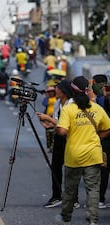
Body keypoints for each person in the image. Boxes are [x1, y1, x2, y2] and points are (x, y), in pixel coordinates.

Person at [55, 76, 110, 225]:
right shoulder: (97, 108)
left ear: (72, 91)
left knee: (70, 190)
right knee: (92, 189)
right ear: (88, 90)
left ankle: (66, 217)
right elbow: (107, 129)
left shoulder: (68, 109)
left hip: (74, 156)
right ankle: (93, 220)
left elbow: (61, 131)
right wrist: (97, 137)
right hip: (93, 154)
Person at [37, 80, 80, 208]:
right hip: (59, 138)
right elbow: (57, 122)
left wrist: (49, 119)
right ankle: (56, 196)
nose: (55, 90)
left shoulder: (73, 104)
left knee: (70, 169)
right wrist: (47, 124)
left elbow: (67, 124)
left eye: (58, 88)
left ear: (64, 91)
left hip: (71, 139)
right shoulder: (57, 103)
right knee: (55, 167)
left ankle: (74, 198)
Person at [92, 74, 110, 209]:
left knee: (103, 169)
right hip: (104, 137)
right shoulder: (99, 98)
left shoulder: (101, 99)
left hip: (104, 137)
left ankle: (101, 199)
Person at [42, 85, 57, 152]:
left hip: (54, 117)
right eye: (49, 92)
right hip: (47, 117)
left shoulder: (57, 98)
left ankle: (53, 147)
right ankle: (49, 145)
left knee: (54, 133)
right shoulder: (47, 98)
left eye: (52, 92)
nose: (51, 93)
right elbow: (44, 103)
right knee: (48, 133)